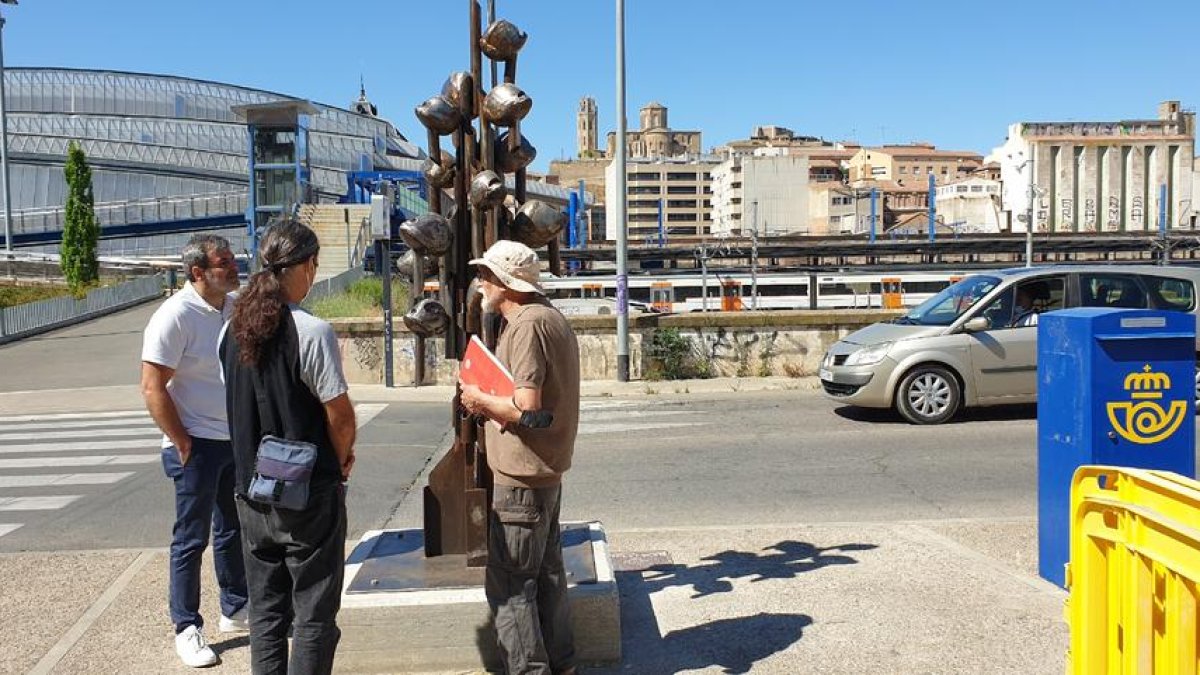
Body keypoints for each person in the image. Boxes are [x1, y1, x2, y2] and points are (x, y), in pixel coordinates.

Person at [220, 218, 357, 675]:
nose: (315, 275)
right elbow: (338, 414)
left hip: (250, 491)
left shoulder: (231, 333)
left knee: (267, 612)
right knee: (315, 614)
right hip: (307, 491)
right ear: (299, 267)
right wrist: (342, 461)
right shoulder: (311, 332)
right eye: (313, 265)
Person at [459, 239, 581, 675]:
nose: (480, 284)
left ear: (506, 283)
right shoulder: (551, 318)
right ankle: (563, 664)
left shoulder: (527, 325)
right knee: (548, 579)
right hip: (545, 474)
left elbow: (528, 410)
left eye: (486, 276)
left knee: (511, 587)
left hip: (522, 479)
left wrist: (479, 398)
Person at [141, 234, 249, 668]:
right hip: (195, 444)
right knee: (190, 539)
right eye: (224, 262)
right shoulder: (174, 316)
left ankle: (235, 607)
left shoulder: (233, 306)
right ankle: (186, 626)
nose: (234, 266)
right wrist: (182, 440)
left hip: (232, 438)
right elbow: (152, 386)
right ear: (198, 272)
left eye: (233, 259)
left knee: (232, 529)